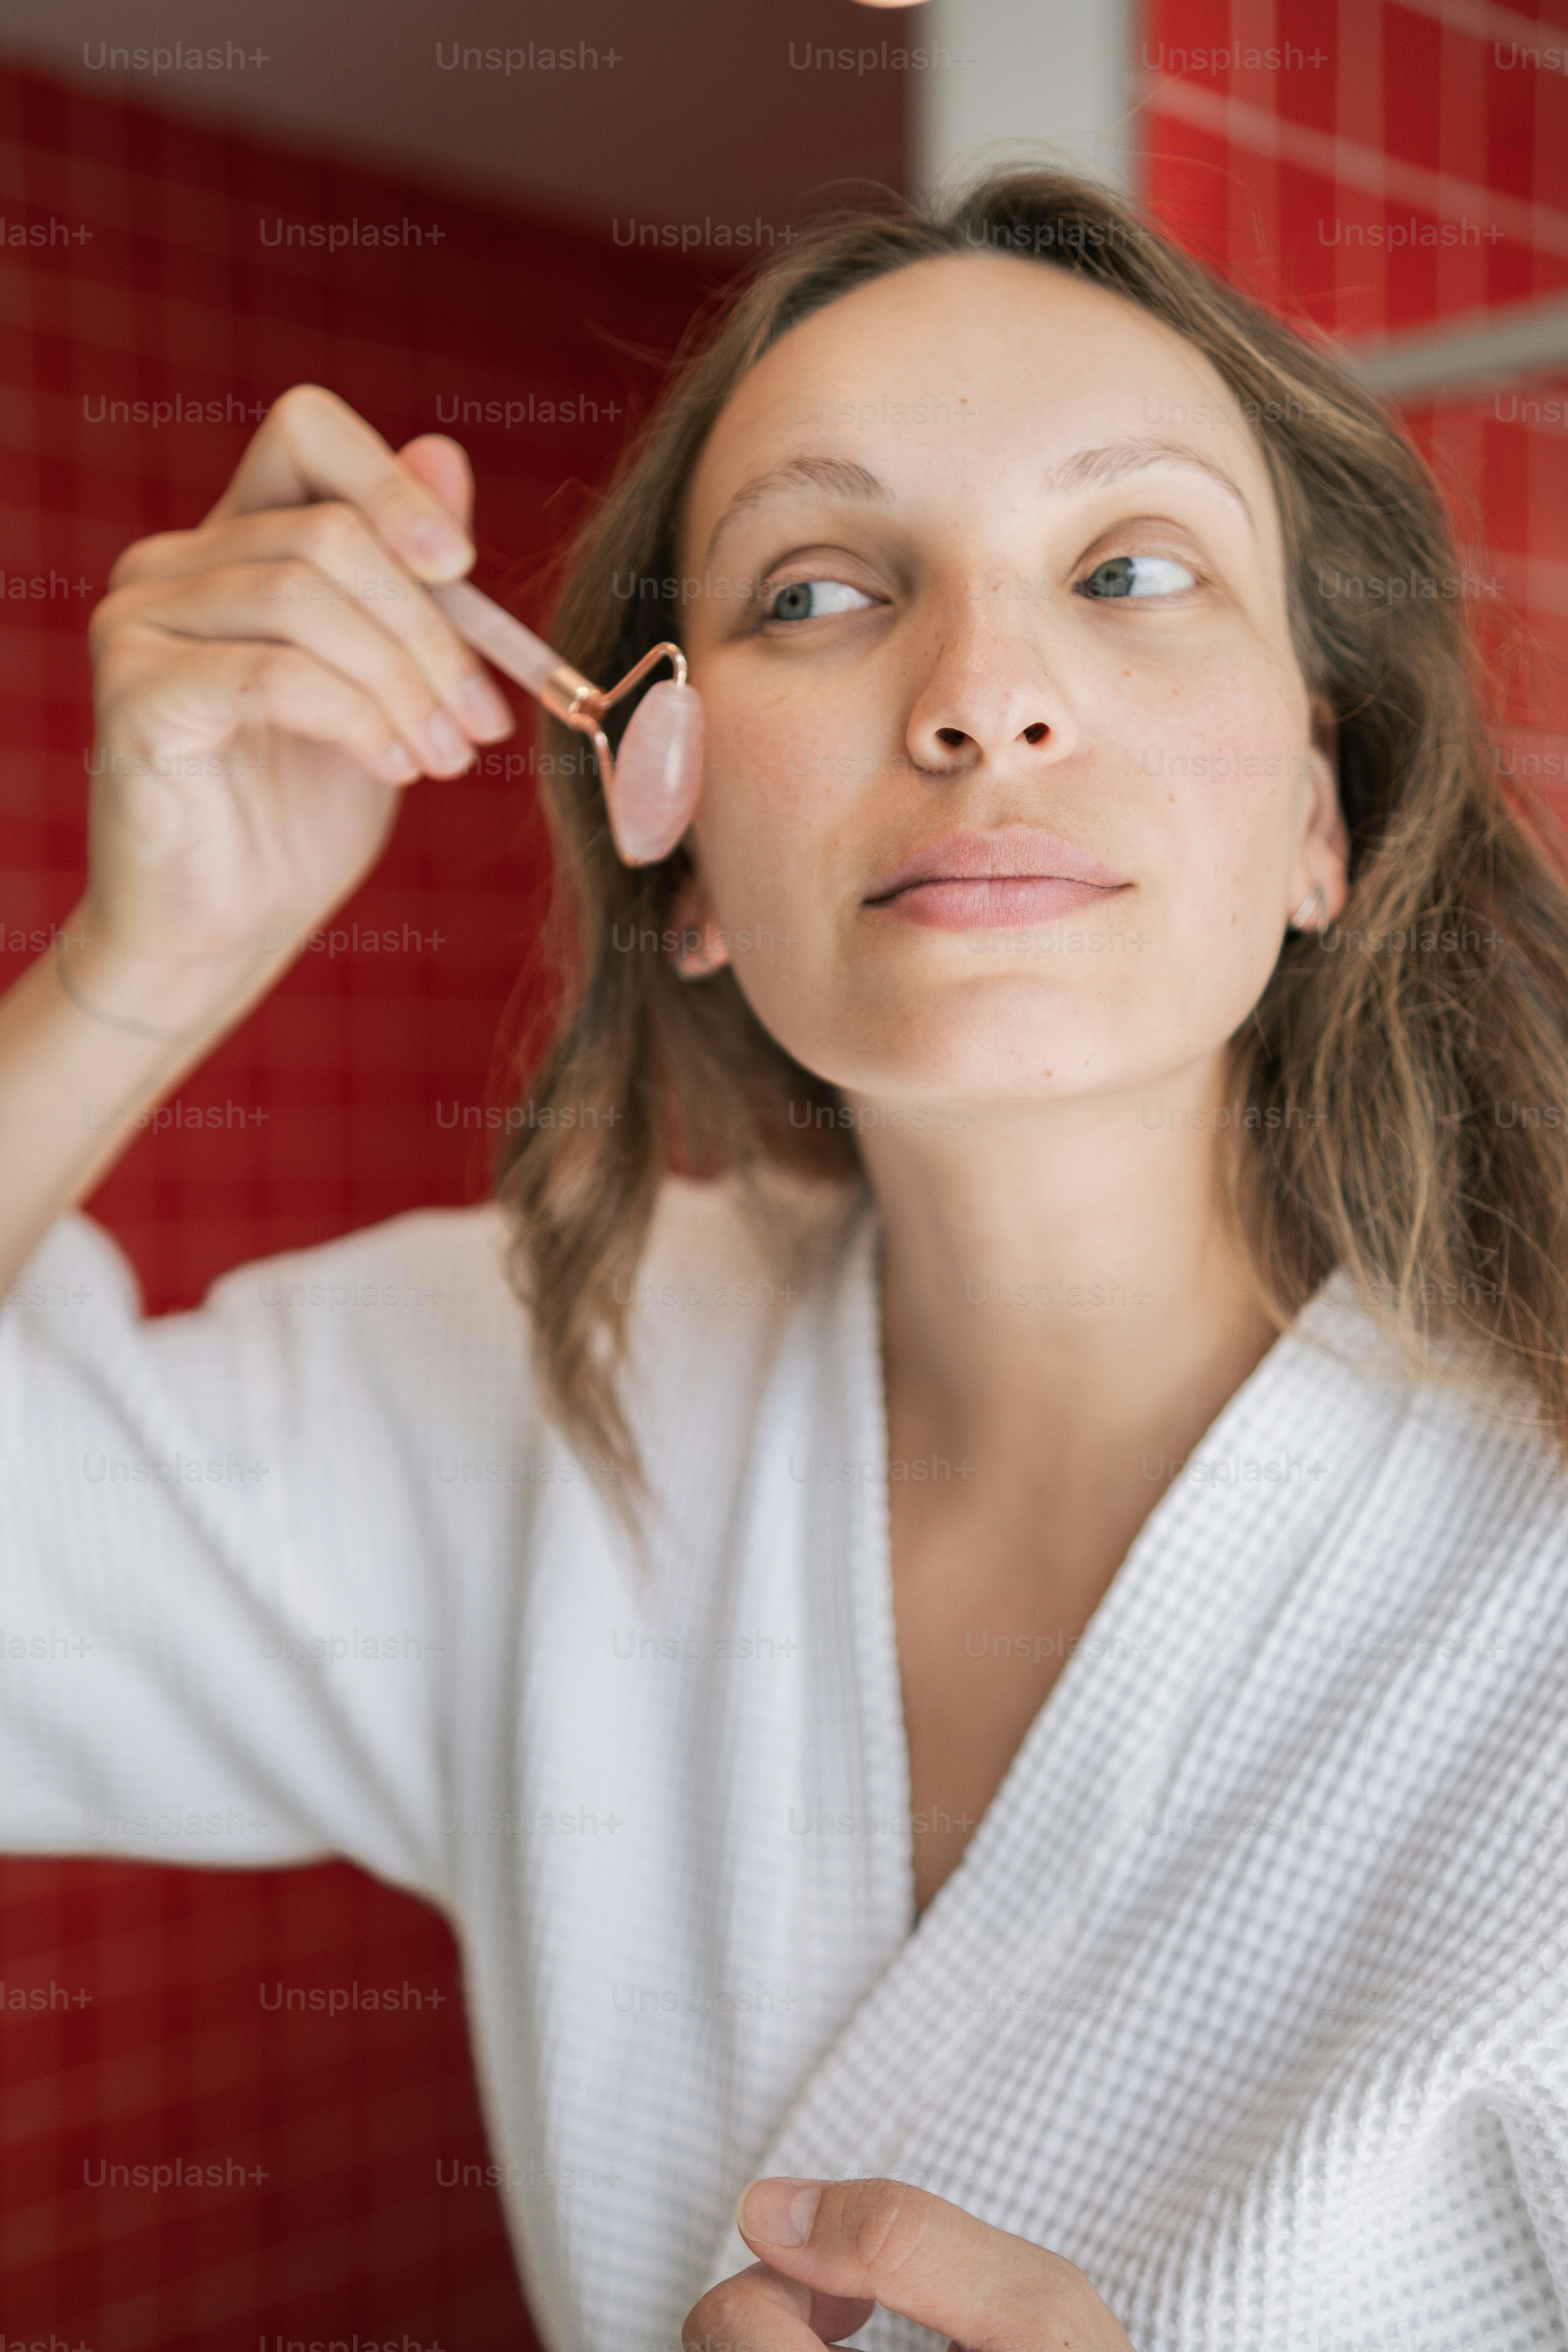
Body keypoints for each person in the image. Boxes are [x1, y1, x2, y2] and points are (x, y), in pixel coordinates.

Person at [2, 168, 1566, 2352]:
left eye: (1131, 570)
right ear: (684, 840)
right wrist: (148, 966)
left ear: (1321, 808)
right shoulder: (544, 1388)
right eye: (821, 594)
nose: (985, 696)